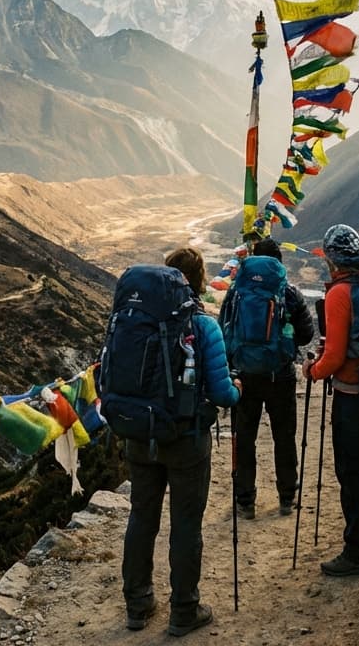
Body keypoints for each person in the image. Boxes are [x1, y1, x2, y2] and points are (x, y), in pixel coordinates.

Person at [121, 247, 242, 636]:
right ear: (199, 278)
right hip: (186, 439)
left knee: (142, 516)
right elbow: (223, 394)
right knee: (186, 525)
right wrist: (236, 389)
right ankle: (184, 611)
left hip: (140, 435)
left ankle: (137, 606)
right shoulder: (203, 325)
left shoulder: (132, 320)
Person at [301, 225, 359, 578]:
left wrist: (313, 370)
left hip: (353, 395)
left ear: (330, 257)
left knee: (352, 472)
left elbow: (335, 356)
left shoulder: (341, 293)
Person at [232, 237, 314, 520]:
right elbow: (306, 334)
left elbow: (226, 330)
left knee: (244, 437)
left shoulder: (237, 291)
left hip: (245, 375)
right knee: (284, 436)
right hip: (280, 375)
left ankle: (245, 501)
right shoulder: (289, 292)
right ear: (279, 263)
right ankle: (287, 497)